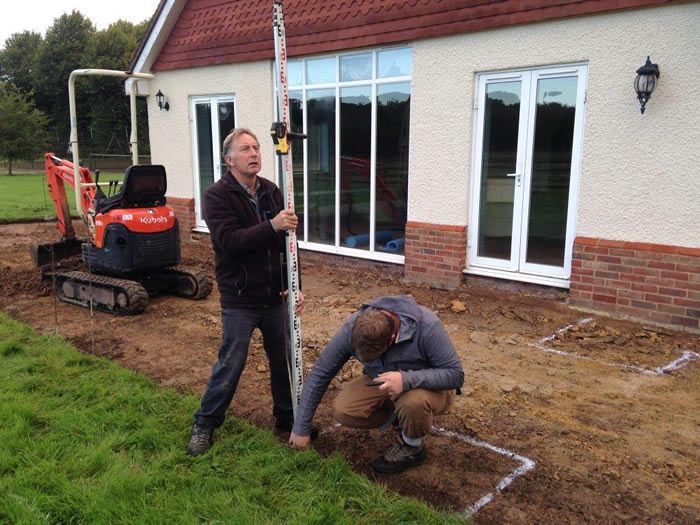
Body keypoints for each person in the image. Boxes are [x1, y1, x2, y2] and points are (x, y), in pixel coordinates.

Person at [187, 127, 307, 456]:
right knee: (233, 361)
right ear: (229, 160)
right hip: (240, 298)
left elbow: (288, 244)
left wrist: (295, 285)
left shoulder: (271, 191)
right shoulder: (216, 196)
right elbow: (230, 243)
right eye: (245, 149)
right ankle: (205, 422)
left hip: (275, 296)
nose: (254, 153)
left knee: (284, 360)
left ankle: (286, 418)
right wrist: (272, 226)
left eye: (256, 147)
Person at [289, 295, 464, 474]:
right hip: (385, 383)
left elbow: (456, 375)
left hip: (430, 389)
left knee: (412, 402)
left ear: (392, 338)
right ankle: (399, 419)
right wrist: (301, 429)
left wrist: (406, 380)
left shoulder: (427, 326)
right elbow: (321, 372)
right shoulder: (354, 327)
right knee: (344, 410)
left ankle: (412, 448)